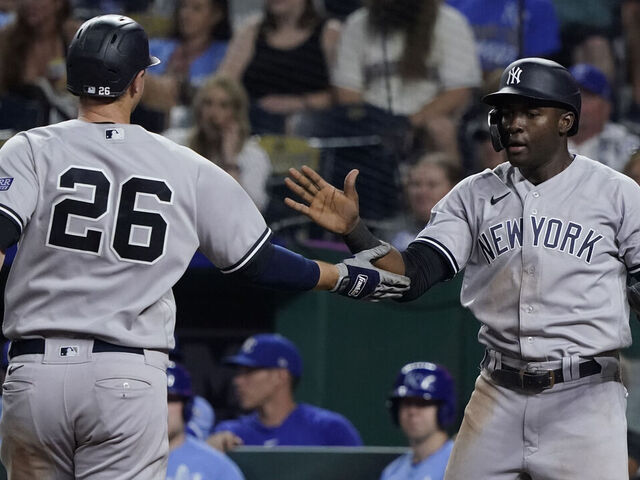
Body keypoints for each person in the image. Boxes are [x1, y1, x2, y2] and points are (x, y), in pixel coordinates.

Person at [0, 14, 408, 479]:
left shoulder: (27, 148)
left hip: (36, 372)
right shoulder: (184, 165)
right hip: (126, 375)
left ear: (72, 77)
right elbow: (260, 263)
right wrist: (345, 276)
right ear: (139, 80)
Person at [285, 57, 638, 479]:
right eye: (506, 113)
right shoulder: (473, 194)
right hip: (499, 392)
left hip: (586, 398)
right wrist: (356, 231)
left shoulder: (616, 194)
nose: (514, 124)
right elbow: (412, 275)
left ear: (565, 121)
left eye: (530, 112)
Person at [332, 0, 481, 157]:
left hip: (426, 123)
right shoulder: (357, 24)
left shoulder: (450, 22)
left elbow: (458, 91)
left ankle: (449, 180)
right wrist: (377, 123)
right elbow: (347, 91)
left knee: (440, 128)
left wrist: (410, 123)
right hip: (372, 124)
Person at [208, 333, 363, 450]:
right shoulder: (230, 434)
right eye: (239, 372)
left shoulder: (329, 429)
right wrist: (208, 452)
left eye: (249, 371)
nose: (237, 381)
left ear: (280, 376)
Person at [218, 0, 341, 133]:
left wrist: (298, 103)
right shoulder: (251, 31)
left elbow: (340, 95)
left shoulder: (330, 32)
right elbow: (224, 85)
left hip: (312, 125)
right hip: (254, 123)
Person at [187, 75, 271, 212]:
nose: (213, 114)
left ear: (236, 113)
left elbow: (251, 211)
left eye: (224, 106)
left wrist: (230, 160)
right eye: (208, 103)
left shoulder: (253, 155)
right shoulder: (177, 143)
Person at [143, 0, 231, 115]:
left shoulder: (225, 54)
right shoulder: (153, 47)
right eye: (184, 6)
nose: (186, 14)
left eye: (196, 8)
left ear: (216, 15)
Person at [0, 0, 77, 126]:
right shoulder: (6, 40)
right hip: (20, 125)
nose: (30, 3)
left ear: (58, 3)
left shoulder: (74, 35)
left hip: (66, 123)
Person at [166, 362, 245, 480]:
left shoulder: (217, 466)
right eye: (152, 400)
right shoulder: (129, 459)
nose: (161, 408)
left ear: (187, 407)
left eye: (169, 400)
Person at [380, 362, 456, 480]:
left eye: (422, 403)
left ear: (443, 410)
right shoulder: (392, 472)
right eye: (406, 403)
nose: (412, 411)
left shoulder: (462, 463)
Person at [447, 0, 561, 76]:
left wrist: (507, 78)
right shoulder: (453, 2)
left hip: (512, 91)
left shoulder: (539, 5)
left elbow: (536, 66)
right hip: (459, 82)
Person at [381, 153, 462, 250]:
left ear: (453, 190)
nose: (422, 192)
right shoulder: (388, 233)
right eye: (416, 184)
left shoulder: (468, 234)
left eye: (432, 185)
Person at [567, 63, 640, 172]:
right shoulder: (544, 141)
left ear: (607, 107)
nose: (577, 103)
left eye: (587, 96)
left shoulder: (627, 147)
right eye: (570, 95)